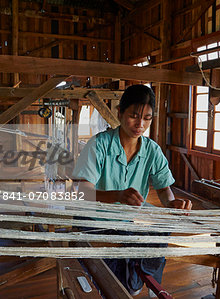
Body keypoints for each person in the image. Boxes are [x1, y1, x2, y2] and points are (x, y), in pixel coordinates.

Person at [72, 84, 192, 296]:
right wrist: (118, 195)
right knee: (107, 281)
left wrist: (172, 204)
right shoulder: (99, 145)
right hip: (93, 222)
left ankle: (136, 280)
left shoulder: (152, 150)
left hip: (126, 222)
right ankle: (123, 282)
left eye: (147, 118)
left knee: (159, 229)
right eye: (134, 116)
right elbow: (83, 194)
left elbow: (164, 190)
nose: (140, 124)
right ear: (120, 112)